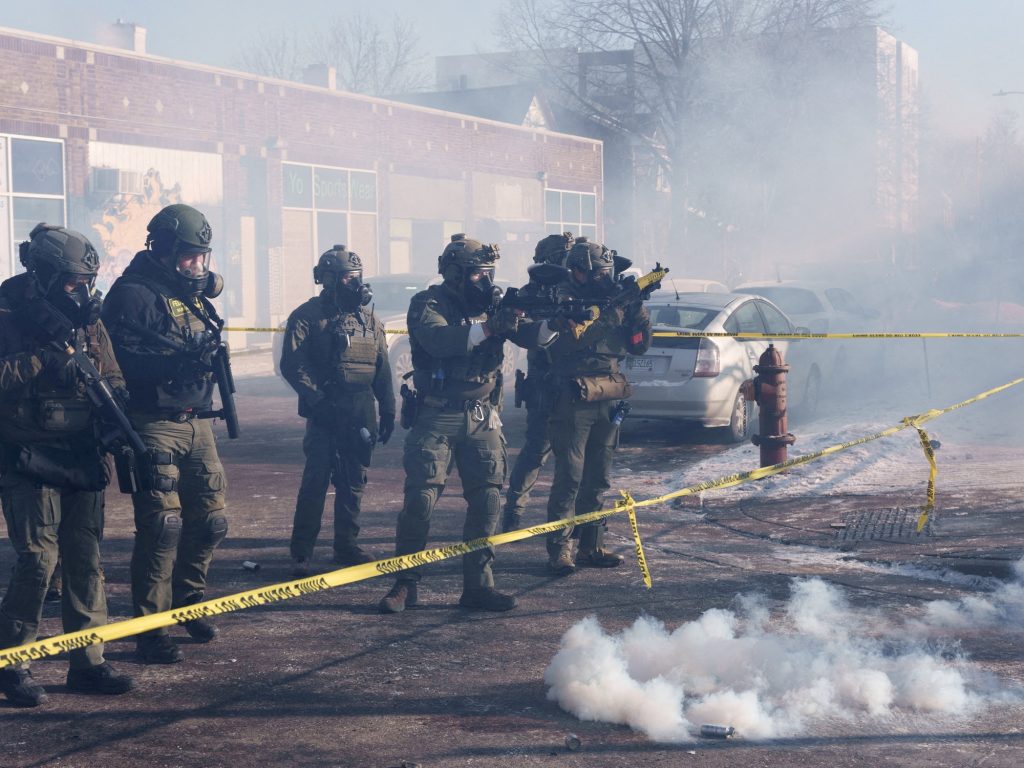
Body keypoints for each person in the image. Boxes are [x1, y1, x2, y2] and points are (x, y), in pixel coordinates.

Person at [378, 234, 558, 614]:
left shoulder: (492, 304)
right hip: (436, 414)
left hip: (482, 415)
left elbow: (532, 339)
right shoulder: (428, 303)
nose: (486, 281)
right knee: (420, 501)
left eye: (489, 273)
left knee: (488, 500)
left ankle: (478, 586)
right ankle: (406, 583)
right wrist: (491, 328)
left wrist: (555, 322)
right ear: (456, 273)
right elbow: (440, 341)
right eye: (478, 274)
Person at [0, 223, 135, 707]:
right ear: (43, 274)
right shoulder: (7, 314)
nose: (82, 291)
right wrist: (42, 361)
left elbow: (111, 370)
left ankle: (89, 662)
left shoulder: (88, 321)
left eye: (87, 282)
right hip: (28, 456)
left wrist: (117, 407)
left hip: (81, 454)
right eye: (72, 282)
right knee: (38, 561)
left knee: (86, 561)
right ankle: (11, 662)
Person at [101, 204, 229, 665]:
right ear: (166, 250)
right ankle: (151, 630)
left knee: (211, 519)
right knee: (162, 526)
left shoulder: (188, 294)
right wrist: (174, 364)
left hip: (196, 421)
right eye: (191, 257)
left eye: (203, 257)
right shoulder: (132, 295)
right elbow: (121, 362)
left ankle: (189, 602)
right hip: (152, 422)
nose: (199, 266)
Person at [280, 245, 395, 576]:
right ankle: (302, 552)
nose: (354, 283)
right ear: (328, 280)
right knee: (316, 481)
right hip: (326, 410)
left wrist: (387, 410)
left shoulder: (371, 320)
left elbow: (382, 367)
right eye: (347, 277)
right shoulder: (307, 316)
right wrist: (318, 402)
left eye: (357, 277)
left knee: (353, 480)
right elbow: (293, 365)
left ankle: (346, 545)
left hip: (361, 409)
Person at [543, 237, 651, 575]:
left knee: (598, 478)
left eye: (609, 273)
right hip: (573, 395)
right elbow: (577, 339)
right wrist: (615, 311)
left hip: (609, 392)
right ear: (578, 272)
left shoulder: (612, 301)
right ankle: (561, 549)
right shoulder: (563, 298)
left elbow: (639, 348)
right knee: (570, 477)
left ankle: (591, 544)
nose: (606, 278)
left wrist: (636, 310)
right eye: (600, 273)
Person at [500, 232, 574, 533]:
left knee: (574, 460)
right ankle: (513, 516)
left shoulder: (577, 289)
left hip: (575, 383)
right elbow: (527, 331)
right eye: (563, 256)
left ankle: (576, 522)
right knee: (535, 453)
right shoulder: (535, 292)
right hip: (544, 382)